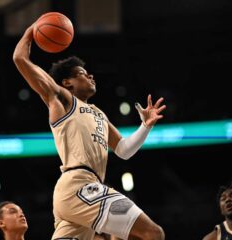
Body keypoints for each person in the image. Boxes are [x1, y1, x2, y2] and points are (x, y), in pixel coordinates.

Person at [13, 24, 166, 240]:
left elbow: (123, 150)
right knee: (152, 233)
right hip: (79, 186)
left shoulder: (99, 114)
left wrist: (146, 126)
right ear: (68, 83)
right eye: (82, 74)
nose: (91, 76)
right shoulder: (63, 100)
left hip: (79, 194)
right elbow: (20, 60)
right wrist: (32, 31)